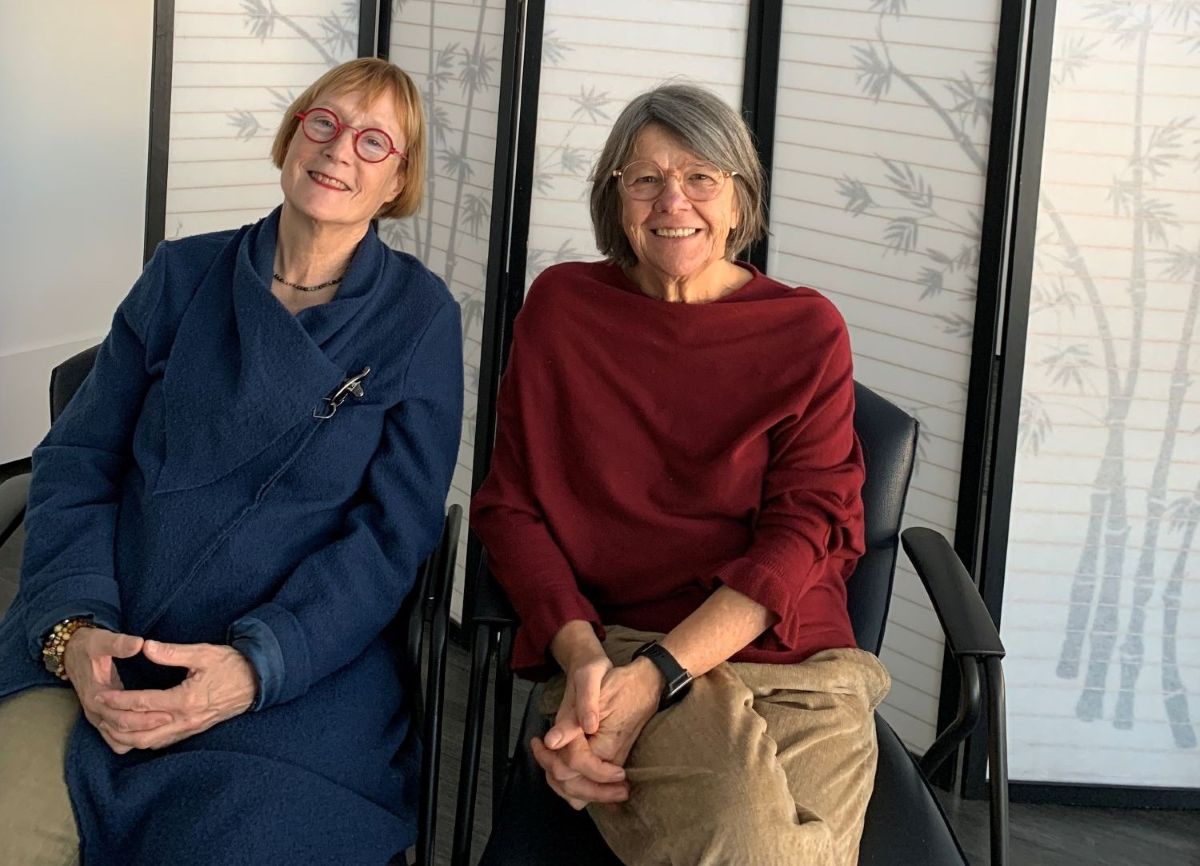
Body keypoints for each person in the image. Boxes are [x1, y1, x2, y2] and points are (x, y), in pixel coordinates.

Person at [0, 58, 462, 864]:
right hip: (111, 630)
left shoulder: (418, 319)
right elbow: (78, 458)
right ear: (291, 136)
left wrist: (259, 665)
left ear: (398, 182)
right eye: (324, 122)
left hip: (295, 667)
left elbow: (393, 536)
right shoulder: (182, 274)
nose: (339, 149)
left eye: (374, 141)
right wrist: (76, 631)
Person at [471, 83, 890, 866]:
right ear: (615, 197)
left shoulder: (807, 330)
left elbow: (805, 529)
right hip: (624, 644)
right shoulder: (563, 310)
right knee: (763, 852)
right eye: (646, 178)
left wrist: (660, 676)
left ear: (738, 198)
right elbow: (511, 509)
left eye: (701, 176)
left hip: (794, 660)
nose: (674, 201)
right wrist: (586, 665)